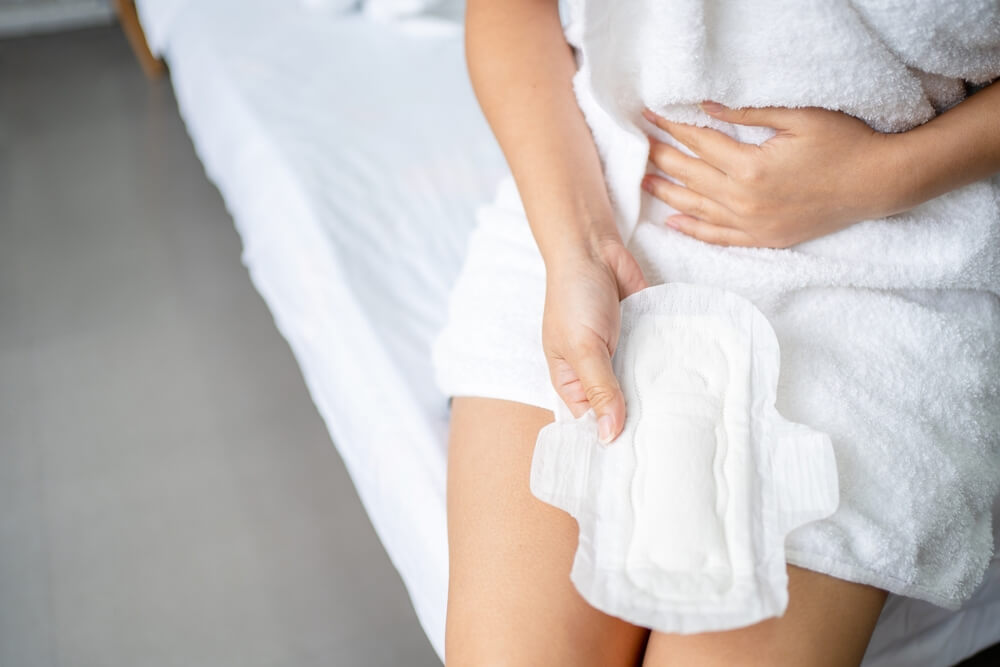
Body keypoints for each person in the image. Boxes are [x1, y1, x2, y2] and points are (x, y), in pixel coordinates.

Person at [435, 1, 1000, 664]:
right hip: (611, 194)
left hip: (889, 254)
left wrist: (876, 178)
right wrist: (578, 250)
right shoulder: (589, 231)